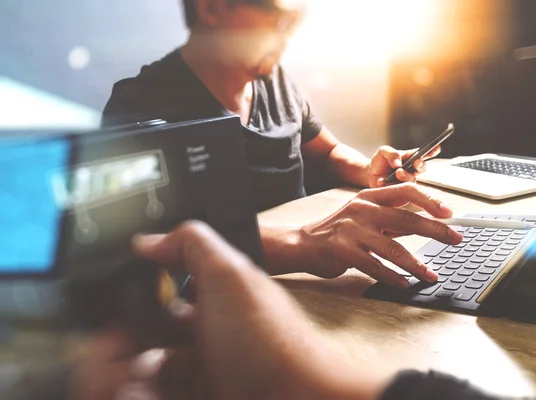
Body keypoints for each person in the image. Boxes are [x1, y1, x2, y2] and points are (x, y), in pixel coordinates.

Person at [102, 0, 455, 288]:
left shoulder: (273, 79)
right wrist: (305, 241)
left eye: (294, 22)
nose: (286, 37)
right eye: (279, 19)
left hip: (310, 286)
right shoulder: (140, 105)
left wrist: (368, 169)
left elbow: (327, 150)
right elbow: (155, 243)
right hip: (228, 305)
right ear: (212, 8)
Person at [70, 222, 503, 399]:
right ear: (213, 18)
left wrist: (290, 377)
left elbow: (328, 147)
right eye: (276, 17)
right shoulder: (151, 95)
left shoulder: (278, 85)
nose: (290, 24)